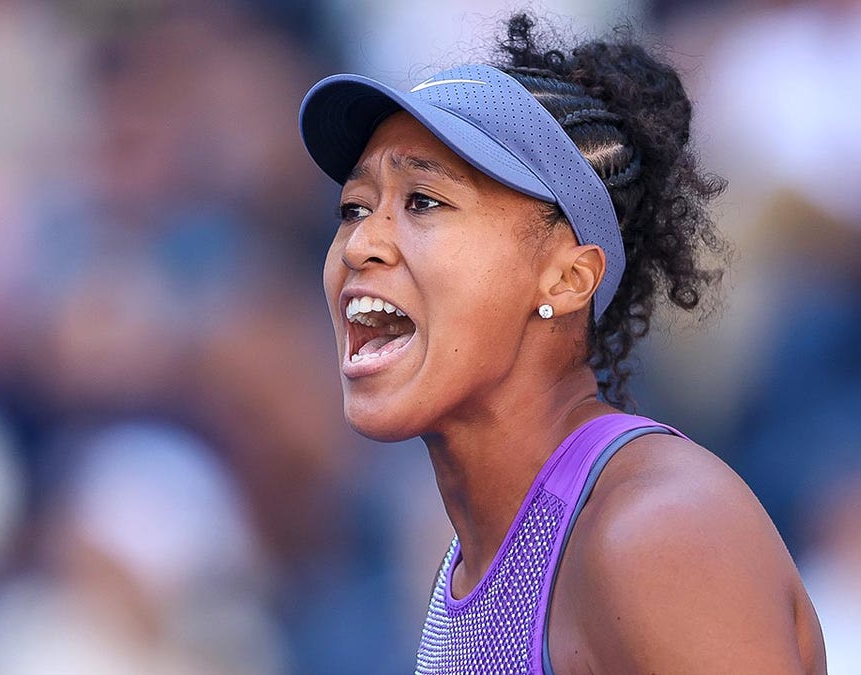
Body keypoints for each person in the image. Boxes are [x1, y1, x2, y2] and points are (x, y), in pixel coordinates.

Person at [298, 14, 825, 674]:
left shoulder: (659, 532)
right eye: (353, 207)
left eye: (424, 201)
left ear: (569, 277)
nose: (361, 243)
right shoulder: (471, 564)